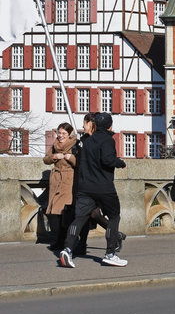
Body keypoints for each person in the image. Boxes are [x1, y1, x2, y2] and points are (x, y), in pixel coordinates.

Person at [58, 112, 127, 268]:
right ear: (110, 126)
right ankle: (110, 253)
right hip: (103, 187)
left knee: (79, 219)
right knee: (114, 217)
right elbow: (107, 160)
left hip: (84, 187)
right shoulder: (107, 140)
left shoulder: (86, 141)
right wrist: (120, 162)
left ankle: (67, 249)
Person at [43, 122, 77, 253]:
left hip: (69, 180)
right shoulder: (55, 144)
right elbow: (45, 159)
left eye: (64, 133)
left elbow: (80, 161)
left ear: (69, 135)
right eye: (59, 132)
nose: (61, 136)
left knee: (64, 212)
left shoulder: (74, 144)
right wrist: (53, 157)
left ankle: (67, 241)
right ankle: (60, 240)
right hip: (56, 179)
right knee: (53, 213)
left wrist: (71, 157)